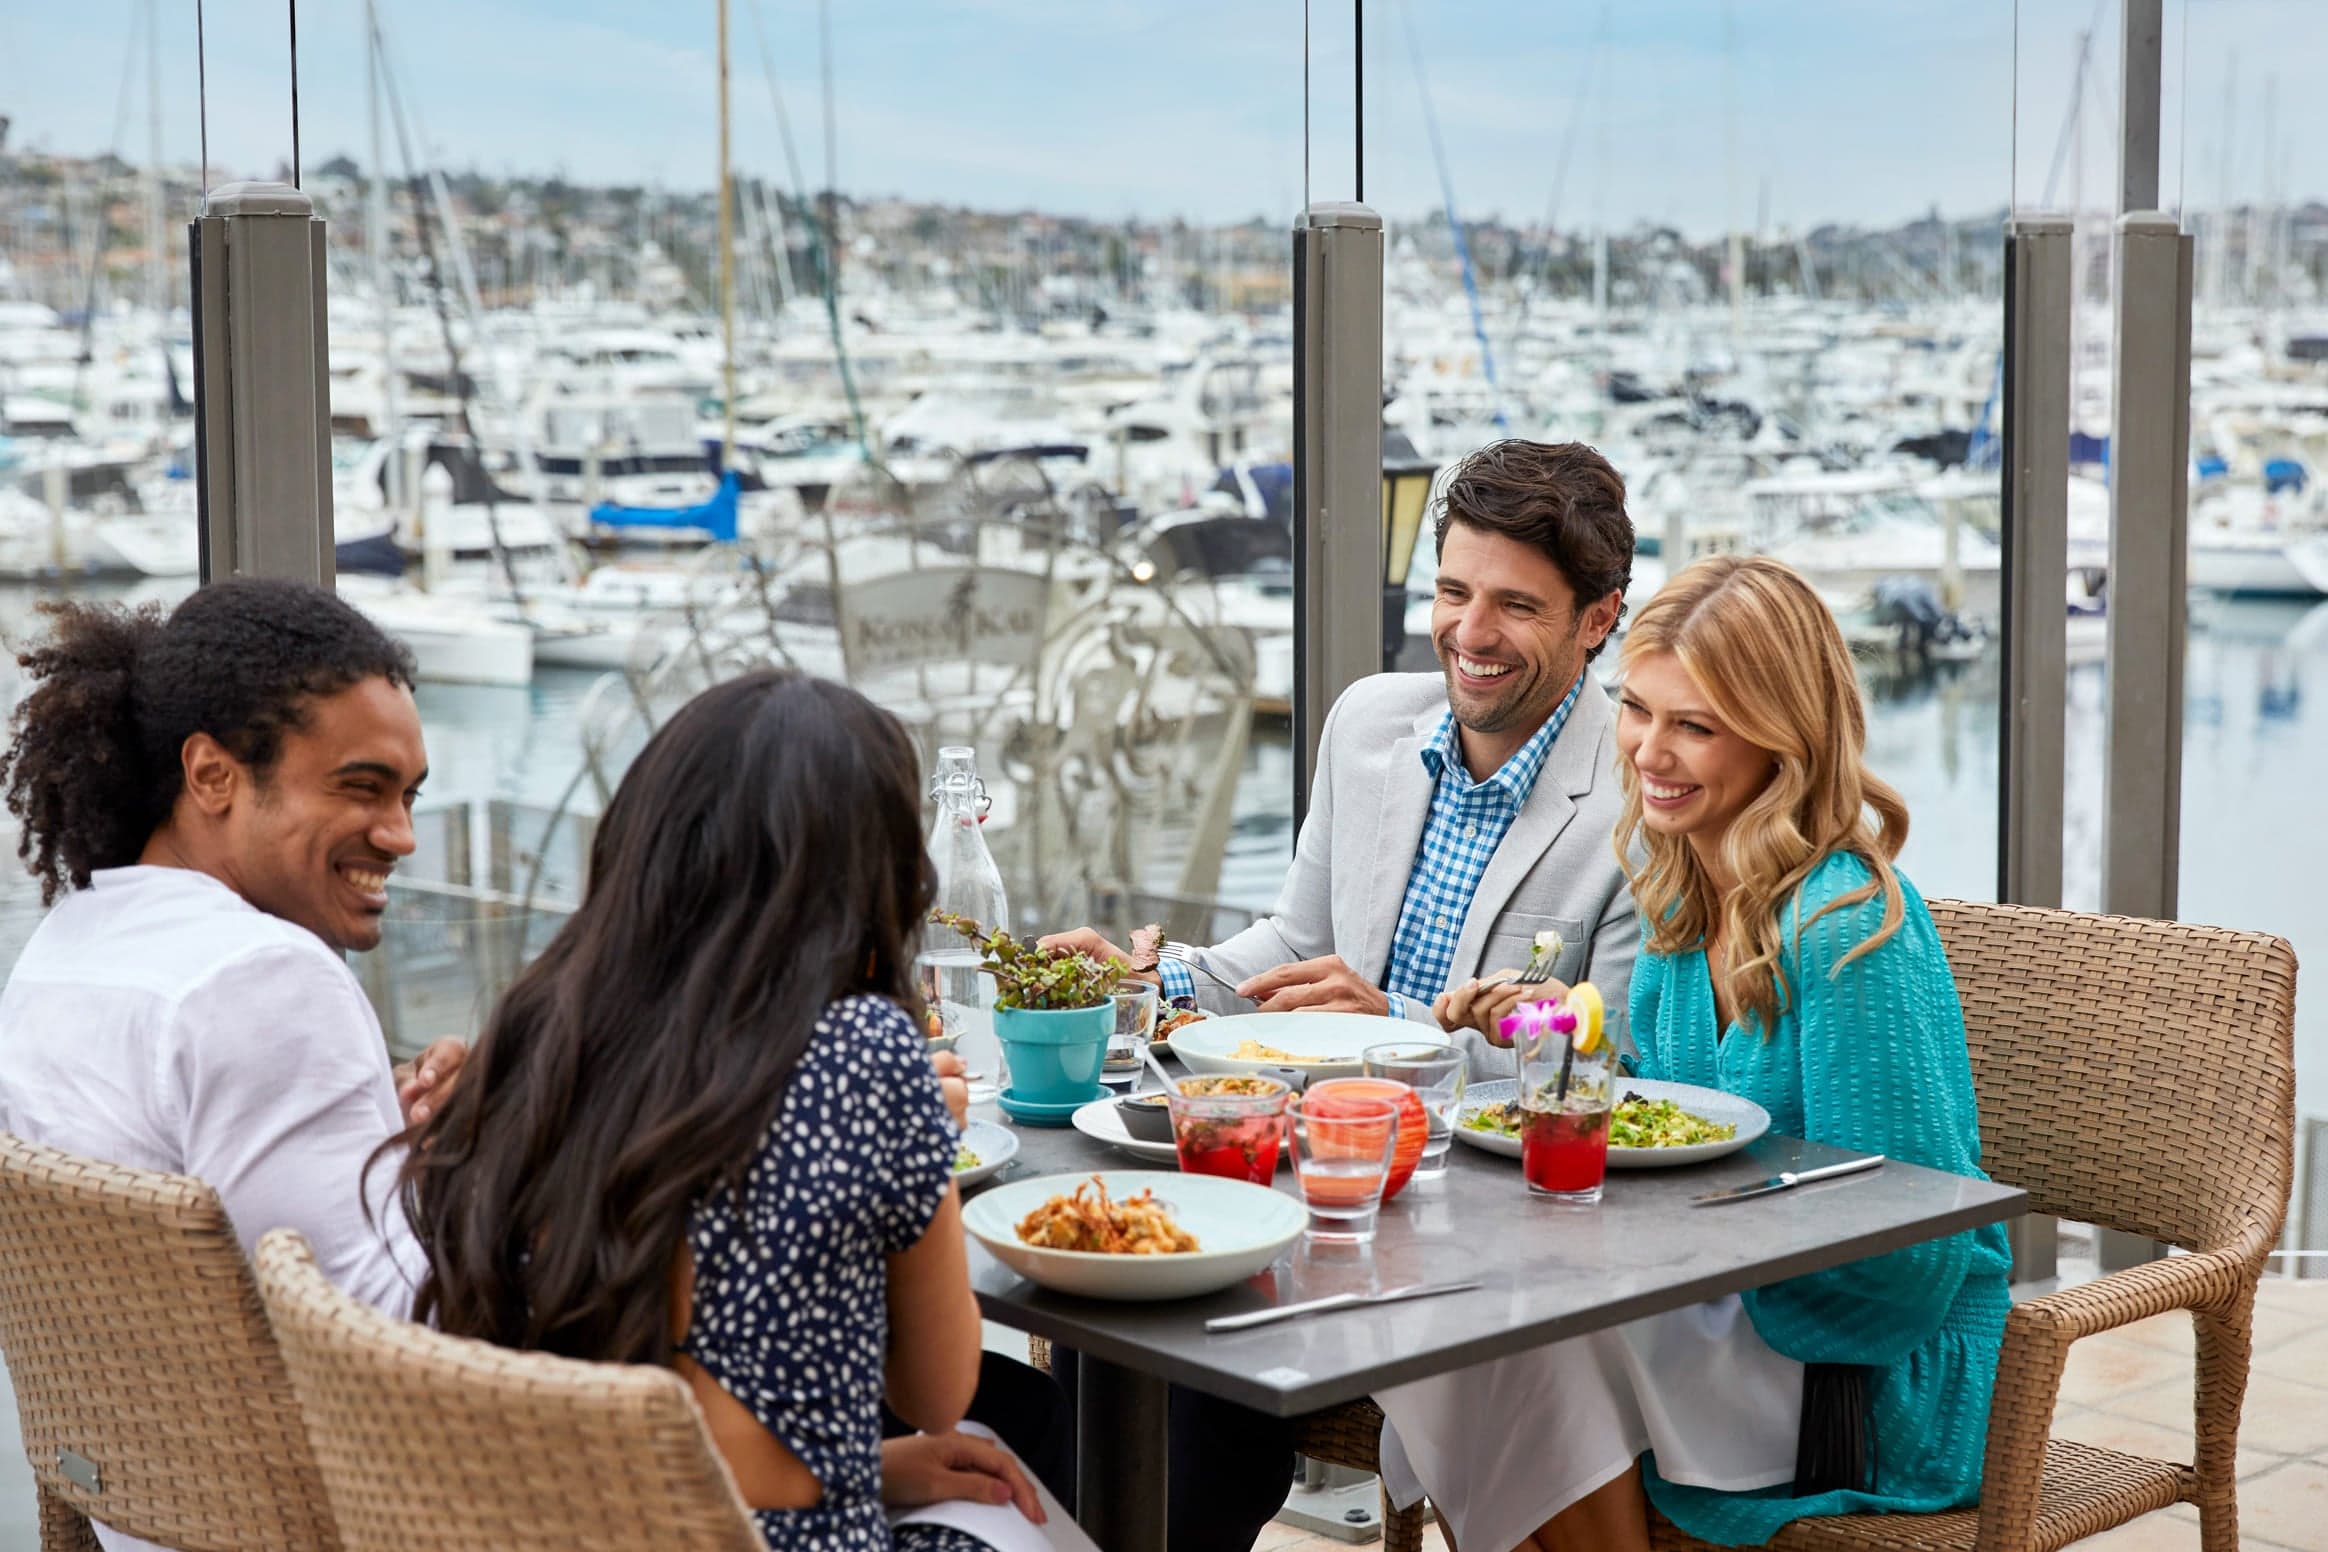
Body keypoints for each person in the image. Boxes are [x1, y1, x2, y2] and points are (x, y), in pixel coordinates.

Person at [1038, 438, 1642, 1552]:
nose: (1469, 633)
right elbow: (1294, 949)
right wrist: (1149, 978)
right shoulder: (1369, 722)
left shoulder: (1640, 796)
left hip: (1469, 1233)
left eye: (1516, 606)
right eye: (1453, 592)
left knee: (1184, 1352)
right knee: (1121, 1288)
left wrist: (1400, 1033)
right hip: (1305, 1179)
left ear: (1598, 619)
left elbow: (1608, 1070)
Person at [1404, 554, 2011, 1552]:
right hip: (1715, 1307)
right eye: (1638, 710)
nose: (1650, 751)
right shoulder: (1685, 904)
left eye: (1695, 725)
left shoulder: (1849, 929)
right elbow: (1667, 1118)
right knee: (1466, 1322)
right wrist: (1557, 1033)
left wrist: (1677, 1262)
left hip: (1858, 1372)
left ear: (1783, 738)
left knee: (1527, 1349)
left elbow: (1917, 1251)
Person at [393, 671, 1070, 1552]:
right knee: (1019, 1492)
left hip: (593, 1527)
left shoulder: (540, 1034)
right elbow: (937, 1393)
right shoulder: (864, 1053)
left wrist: (872, 1466)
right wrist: (924, 1148)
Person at [0, 580, 464, 1552]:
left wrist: (405, 1152)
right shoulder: (263, 978)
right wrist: (518, 1156)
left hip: (154, 1523)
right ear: (211, 774)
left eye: (409, 795)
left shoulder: (64, 950)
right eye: (361, 787)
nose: (401, 835)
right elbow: (394, 1354)